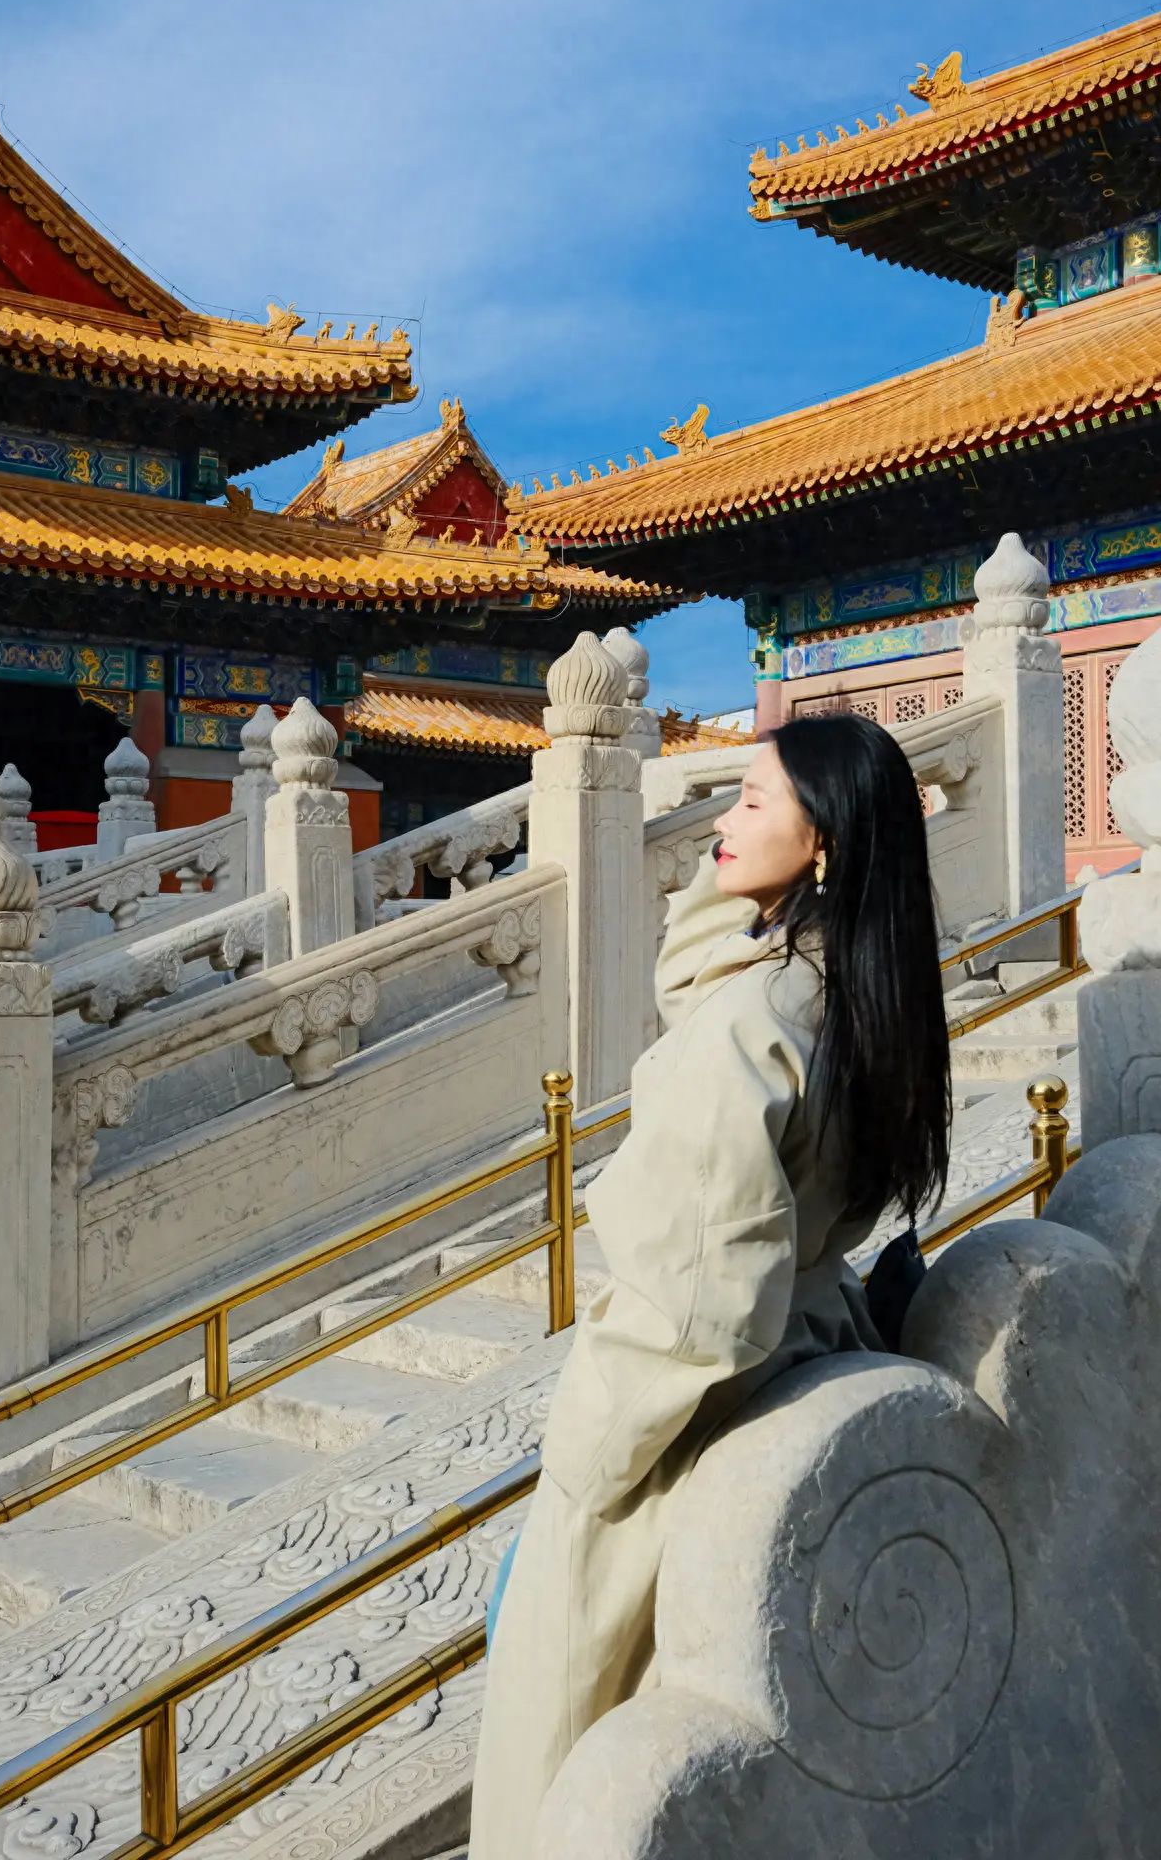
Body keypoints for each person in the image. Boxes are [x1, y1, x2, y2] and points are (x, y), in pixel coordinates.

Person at [468, 713, 952, 1858]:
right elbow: (696, 972)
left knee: (562, 1717)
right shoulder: (845, 991)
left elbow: (694, 1307)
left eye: (745, 802)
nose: (717, 828)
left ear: (823, 840)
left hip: (679, 1416)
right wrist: (740, 869)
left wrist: (588, 1464)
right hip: (805, 1336)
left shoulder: (749, 1026)